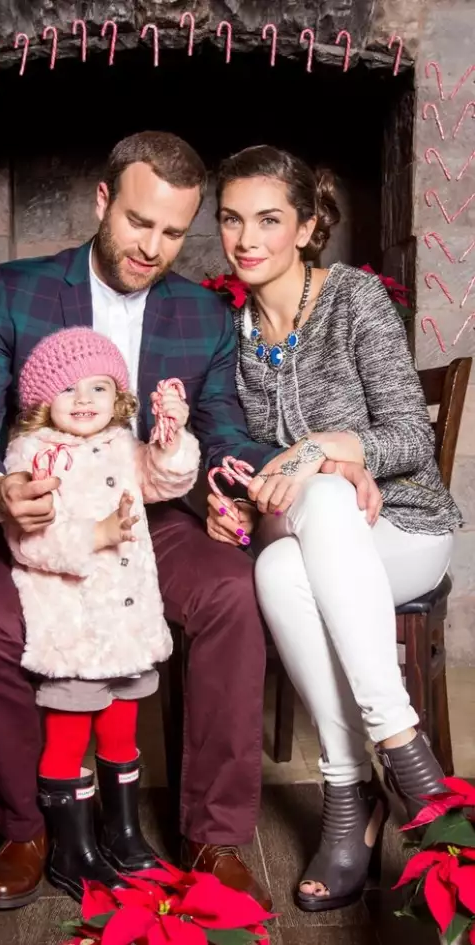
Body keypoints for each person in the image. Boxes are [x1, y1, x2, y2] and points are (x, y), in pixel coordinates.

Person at [0, 130, 380, 910]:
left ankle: (212, 834)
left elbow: (227, 430)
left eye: (174, 232)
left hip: (152, 522)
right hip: (28, 523)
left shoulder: (202, 314)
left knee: (233, 595)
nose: (153, 246)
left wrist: (242, 478)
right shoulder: (19, 289)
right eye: (140, 223)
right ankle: (24, 828)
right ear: (103, 201)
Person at [204, 144, 462, 913]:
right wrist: (236, 490)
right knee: (276, 569)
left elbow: (411, 441)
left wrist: (325, 450)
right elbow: (243, 455)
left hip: (405, 532)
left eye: (268, 220)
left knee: (319, 497)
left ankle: (393, 752)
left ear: (308, 225)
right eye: (230, 219)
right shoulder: (234, 333)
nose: (246, 239)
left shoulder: (354, 299)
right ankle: (359, 795)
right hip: (309, 545)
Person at [1, 326, 200, 901]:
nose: (85, 399)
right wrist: (97, 533)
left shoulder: (120, 443)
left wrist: (171, 437)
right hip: (73, 622)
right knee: (69, 732)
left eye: (98, 387)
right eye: (68, 390)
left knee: (121, 729)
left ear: (119, 397)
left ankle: (124, 834)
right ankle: (73, 850)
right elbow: (30, 545)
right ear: (42, 401)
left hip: (128, 621)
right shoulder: (31, 454)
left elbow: (167, 480)